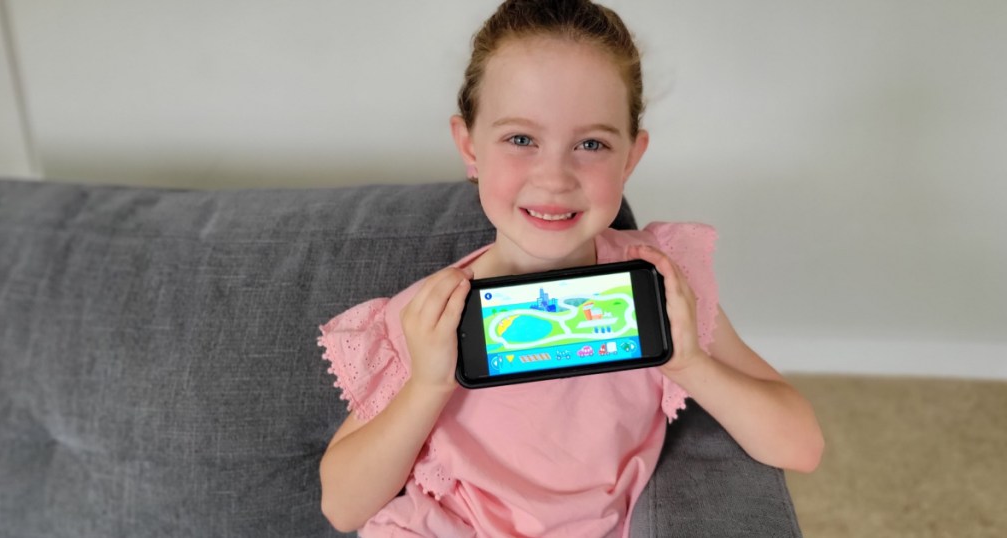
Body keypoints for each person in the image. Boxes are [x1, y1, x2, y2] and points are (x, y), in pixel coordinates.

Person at [317, 0, 824, 535]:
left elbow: (801, 445)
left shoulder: (664, 282)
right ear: (469, 147)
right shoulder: (430, 316)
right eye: (521, 140)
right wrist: (426, 386)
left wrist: (689, 364)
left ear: (630, 158)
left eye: (591, 144)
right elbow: (343, 507)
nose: (555, 177)